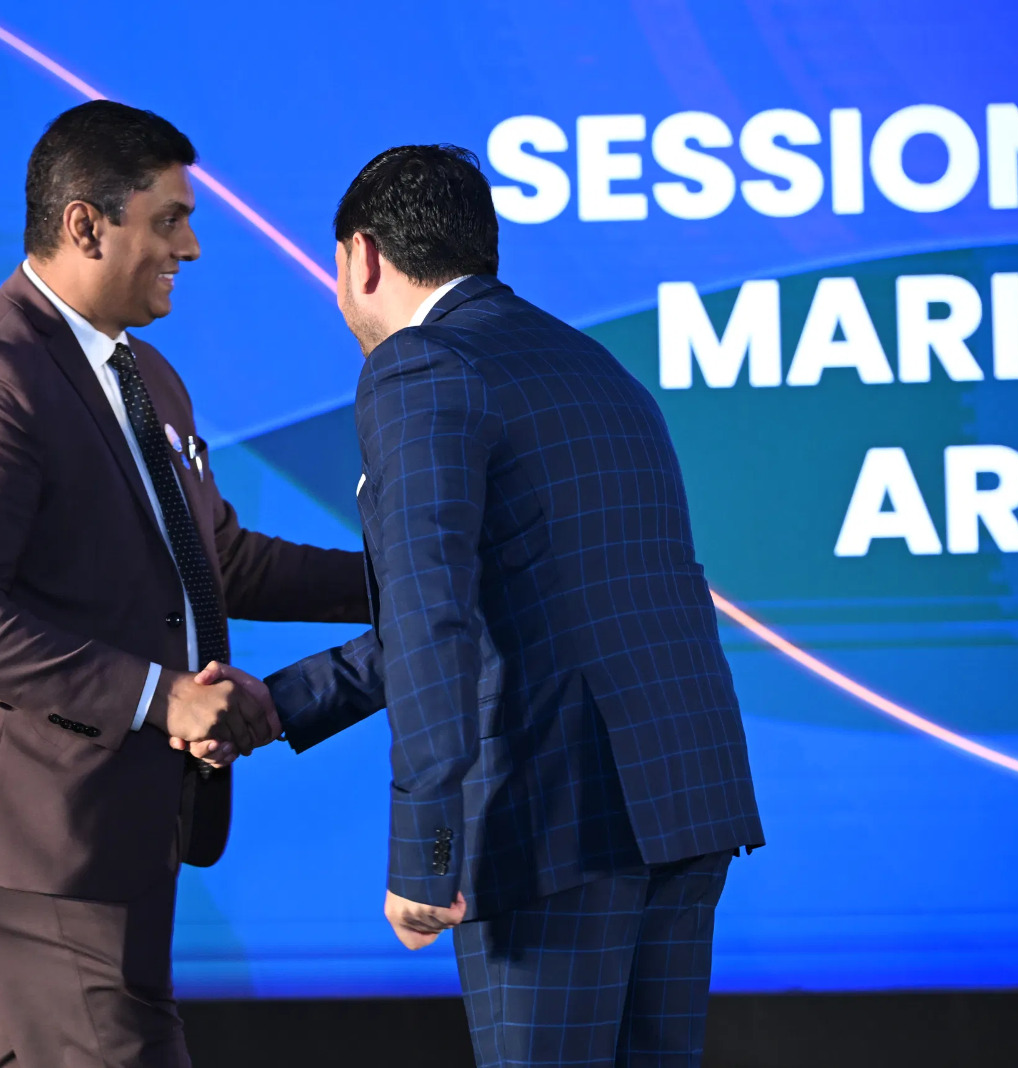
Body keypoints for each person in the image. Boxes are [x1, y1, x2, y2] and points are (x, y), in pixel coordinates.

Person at [229, 145, 765, 1066]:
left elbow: (432, 615)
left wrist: (425, 852)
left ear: (362, 257)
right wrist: (286, 703)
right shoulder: (588, 360)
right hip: (684, 801)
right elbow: (505, 602)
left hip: (554, 818)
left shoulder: (418, 366)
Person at [0, 100, 369, 1068]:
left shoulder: (144, 372)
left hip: (116, 819)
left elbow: (218, 561)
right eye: (170, 219)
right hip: (41, 826)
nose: (191, 247)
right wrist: (160, 696)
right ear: (85, 225)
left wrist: (401, 580)